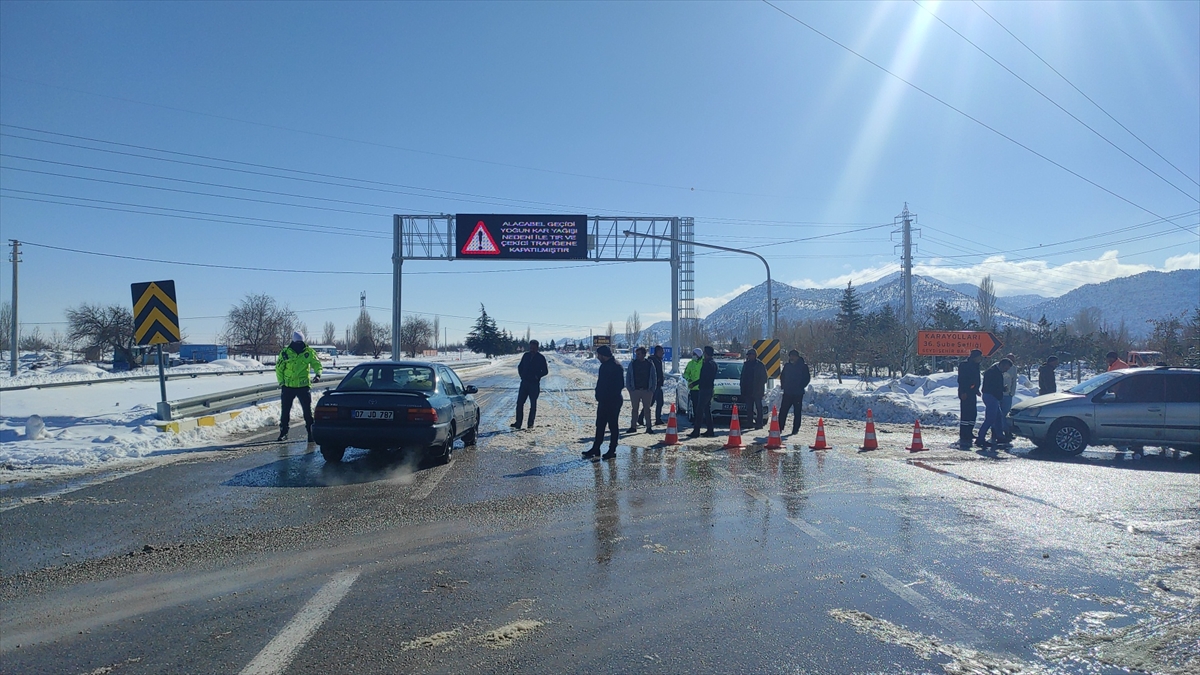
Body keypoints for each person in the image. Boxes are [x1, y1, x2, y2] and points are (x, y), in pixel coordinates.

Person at [275, 330, 323, 442]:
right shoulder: (285, 352)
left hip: (303, 386)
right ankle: (284, 432)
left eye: (300, 342)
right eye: (297, 342)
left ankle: (310, 433)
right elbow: (279, 368)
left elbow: (317, 364)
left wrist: (318, 374)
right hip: (288, 387)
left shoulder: (308, 352)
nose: (299, 345)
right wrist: (281, 383)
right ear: (293, 341)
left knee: (307, 411)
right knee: (285, 411)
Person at [585, 345, 625, 460]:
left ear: (603, 355)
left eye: (598, 355)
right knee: (600, 425)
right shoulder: (604, 366)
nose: (597, 357)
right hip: (603, 401)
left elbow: (620, 385)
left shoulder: (616, 366)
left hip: (613, 401)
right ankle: (596, 448)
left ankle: (612, 450)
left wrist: (607, 395)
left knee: (613, 426)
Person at [976, 358, 1013, 449]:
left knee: (998, 417)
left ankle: (1000, 436)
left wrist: (1001, 389)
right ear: (1002, 365)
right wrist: (1001, 390)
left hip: (991, 396)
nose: (1006, 370)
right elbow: (991, 387)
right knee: (990, 418)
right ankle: (980, 438)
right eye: (1006, 368)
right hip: (991, 396)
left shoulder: (994, 371)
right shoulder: (993, 372)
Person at [512, 340, 548, 430]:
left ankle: (530, 424)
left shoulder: (541, 358)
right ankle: (518, 423)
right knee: (519, 403)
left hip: (534, 385)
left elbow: (545, 371)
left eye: (533, 348)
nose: (532, 349)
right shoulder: (526, 356)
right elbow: (520, 367)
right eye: (530, 347)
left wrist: (537, 376)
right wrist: (522, 376)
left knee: (533, 405)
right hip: (524, 383)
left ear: (537, 348)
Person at [688, 346, 718, 438]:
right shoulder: (714, 364)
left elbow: (704, 378)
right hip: (710, 389)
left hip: (704, 389)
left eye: (705, 353)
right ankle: (710, 430)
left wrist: (694, 383)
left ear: (707, 353)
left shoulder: (707, 364)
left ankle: (696, 431)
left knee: (699, 410)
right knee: (707, 410)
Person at [625, 346, 657, 433]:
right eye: (636, 354)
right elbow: (628, 377)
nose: (637, 356)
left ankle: (649, 427)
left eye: (639, 354)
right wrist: (630, 389)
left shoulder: (649, 364)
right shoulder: (633, 364)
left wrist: (652, 389)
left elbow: (654, 377)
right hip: (635, 390)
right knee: (634, 409)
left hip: (647, 391)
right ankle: (633, 427)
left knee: (647, 409)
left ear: (643, 354)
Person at [779, 350, 811, 435]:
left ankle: (795, 429)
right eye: (790, 356)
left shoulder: (803, 366)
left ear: (797, 357)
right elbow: (783, 376)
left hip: (798, 393)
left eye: (793, 356)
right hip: (787, 392)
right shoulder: (787, 366)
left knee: (797, 412)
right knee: (783, 411)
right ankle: (779, 428)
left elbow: (807, 378)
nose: (791, 358)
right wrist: (783, 385)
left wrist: (801, 386)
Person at [957, 349, 983, 449]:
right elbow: (962, 380)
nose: (980, 359)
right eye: (979, 356)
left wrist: (976, 389)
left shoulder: (976, 366)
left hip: (972, 392)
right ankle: (964, 433)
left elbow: (976, 379)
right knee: (966, 412)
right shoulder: (965, 365)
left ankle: (970, 431)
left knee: (973, 412)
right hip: (965, 392)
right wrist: (963, 391)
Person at [740, 348, 768, 429]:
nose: (749, 356)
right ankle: (749, 423)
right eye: (748, 355)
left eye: (751, 355)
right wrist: (742, 387)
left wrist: (759, 386)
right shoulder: (746, 364)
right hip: (748, 389)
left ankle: (759, 423)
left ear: (755, 355)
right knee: (749, 408)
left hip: (757, 390)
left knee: (759, 407)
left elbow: (764, 378)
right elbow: (743, 377)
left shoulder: (760, 365)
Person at [683, 347, 704, 424]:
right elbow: (685, 373)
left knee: (701, 406)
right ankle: (696, 420)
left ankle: (700, 420)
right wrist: (688, 379)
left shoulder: (703, 363)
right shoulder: (690, 363)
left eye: (694, 354)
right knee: (695, 405)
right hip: (693, 388)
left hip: (701, 388)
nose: (693, 356)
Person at [1000, 352, 1018, 443]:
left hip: (1008, 395)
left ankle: (1007, 431)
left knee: (1005, 414)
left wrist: (1012, 392)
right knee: (998, 414)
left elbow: (1014, 380)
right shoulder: (998, 367)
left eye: (1013, 359)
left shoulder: (1014, 369)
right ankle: (997, 431)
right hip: (999, 394)